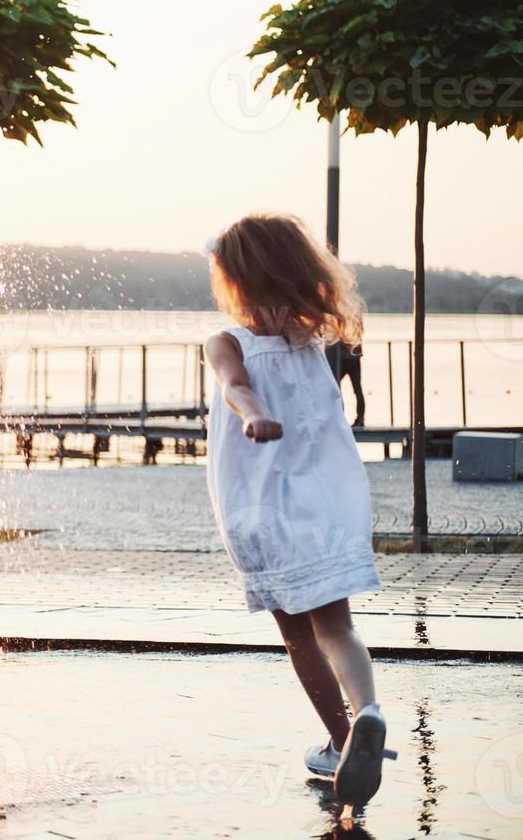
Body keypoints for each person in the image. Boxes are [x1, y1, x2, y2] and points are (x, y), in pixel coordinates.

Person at [202, 214, 395, 809]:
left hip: (264, 508)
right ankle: (367, 713)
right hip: (328, 500)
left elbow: (236, 384)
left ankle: (342, 742)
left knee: (296, 633)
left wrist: (252, 412)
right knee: (336, 625)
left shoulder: (226, 341)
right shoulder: (312, 341)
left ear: (236, 280)